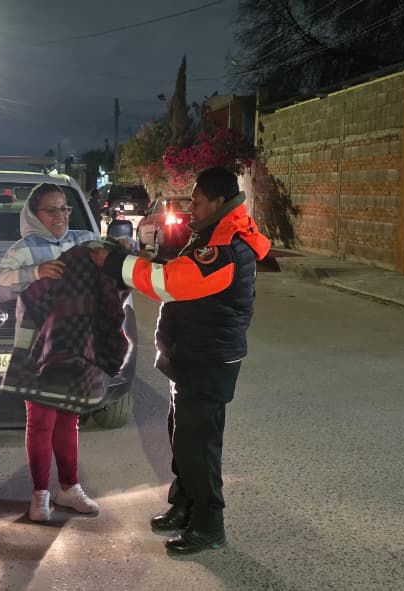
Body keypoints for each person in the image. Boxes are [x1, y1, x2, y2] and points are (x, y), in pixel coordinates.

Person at [90, 166, 271, 555]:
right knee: (183, 439)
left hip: (208, 361)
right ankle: (184, 505)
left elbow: (170, 283)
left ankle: (208, 525)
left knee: (199, 448)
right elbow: (173, 273)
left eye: (198, 201)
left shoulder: (224, 248)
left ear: (219, 202)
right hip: (192, 357)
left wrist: (116, 264)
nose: (191, 209)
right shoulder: (211, 235)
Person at [0, 182, 103, 522]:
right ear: (34, 215)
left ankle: (69, 487)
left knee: (68, 419)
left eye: (65, 208)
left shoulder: (83, 240)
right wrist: (34, 272)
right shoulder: (25, 249)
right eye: (51, 210)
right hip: (38, 348)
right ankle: (40, 494)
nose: (60, 216)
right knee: (41, 423)